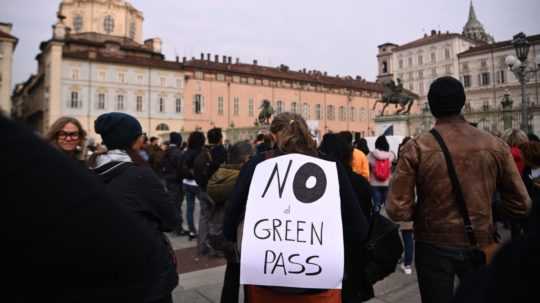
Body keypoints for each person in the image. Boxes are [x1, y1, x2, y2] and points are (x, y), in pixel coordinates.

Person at [387, 76, 530, 303]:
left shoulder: (418, 147)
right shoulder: (495, 145)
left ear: (431, 107)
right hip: (482, 241)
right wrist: (487, 213)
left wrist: (425, 215)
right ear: (462, 103)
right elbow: (522, 203)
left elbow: (396, 209)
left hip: (433, 244)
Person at [2, 114, 165, 302]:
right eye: (63, 134)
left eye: (74, 134)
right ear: (54, 135)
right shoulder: (43, 162)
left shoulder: (85, 163)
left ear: (80, 137)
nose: (68, 138)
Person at [224, 112, 368, 303]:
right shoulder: (331, 166)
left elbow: (229, 224)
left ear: (274, 136)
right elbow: (359, 230)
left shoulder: (257, 165)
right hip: (320, 284)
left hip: (265, 282)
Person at [89, 113, 180, 303]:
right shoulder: (140, 175)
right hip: (147, 268)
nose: (143, 139)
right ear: (132, 140)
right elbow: (172, 220)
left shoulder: (90, 170)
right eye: (140, 135)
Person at [319, 133, 375, 301]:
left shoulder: (318, 184)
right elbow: (365, 219)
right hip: (353, 253)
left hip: (325, 254)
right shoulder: (360, 183)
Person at [206, 141, 254, 303]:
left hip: (222, 232)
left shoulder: (221, 173)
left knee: (231, 274)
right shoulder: (241, 178)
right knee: (248, 280)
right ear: (246, 159)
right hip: (238, 234)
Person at [192, 127, 228, 256]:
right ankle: (216, 248)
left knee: (204, 218)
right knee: (217, 220)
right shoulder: (222, 152)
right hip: (216, 190)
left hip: (202, 189)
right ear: (220, 139)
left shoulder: (203, 152)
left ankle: (202, 245)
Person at [180, 131, 206, 240]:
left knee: (190, 209)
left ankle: (192, 231)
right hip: (198, 183)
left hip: (186, 182)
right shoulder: (202, 152)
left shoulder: (186, 152)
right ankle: (204, 232)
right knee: (205, 210)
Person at [161, 132, 187, 236]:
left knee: (172, 203)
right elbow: (181, 169)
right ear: (178, 141)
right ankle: (177, 228)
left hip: (168, 180)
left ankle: (173, 226)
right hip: (176, 181)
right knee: (176, 204)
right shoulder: (177, 153)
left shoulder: (166, 151)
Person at [396, 136, 414, 275]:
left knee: (407, 235)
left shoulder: (402, 170)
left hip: (406, 205)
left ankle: (407, 263)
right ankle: (407, 261)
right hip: (421, 205)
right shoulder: (423, 163)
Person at [368, 135, 395, 213]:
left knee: (377, 205)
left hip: (374, 183)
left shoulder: (371, 155)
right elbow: (395, 159)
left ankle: (377, 219)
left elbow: (366, 162)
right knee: (386, 205)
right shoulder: (390, 155)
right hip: (387, 183)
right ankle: (385, 221)